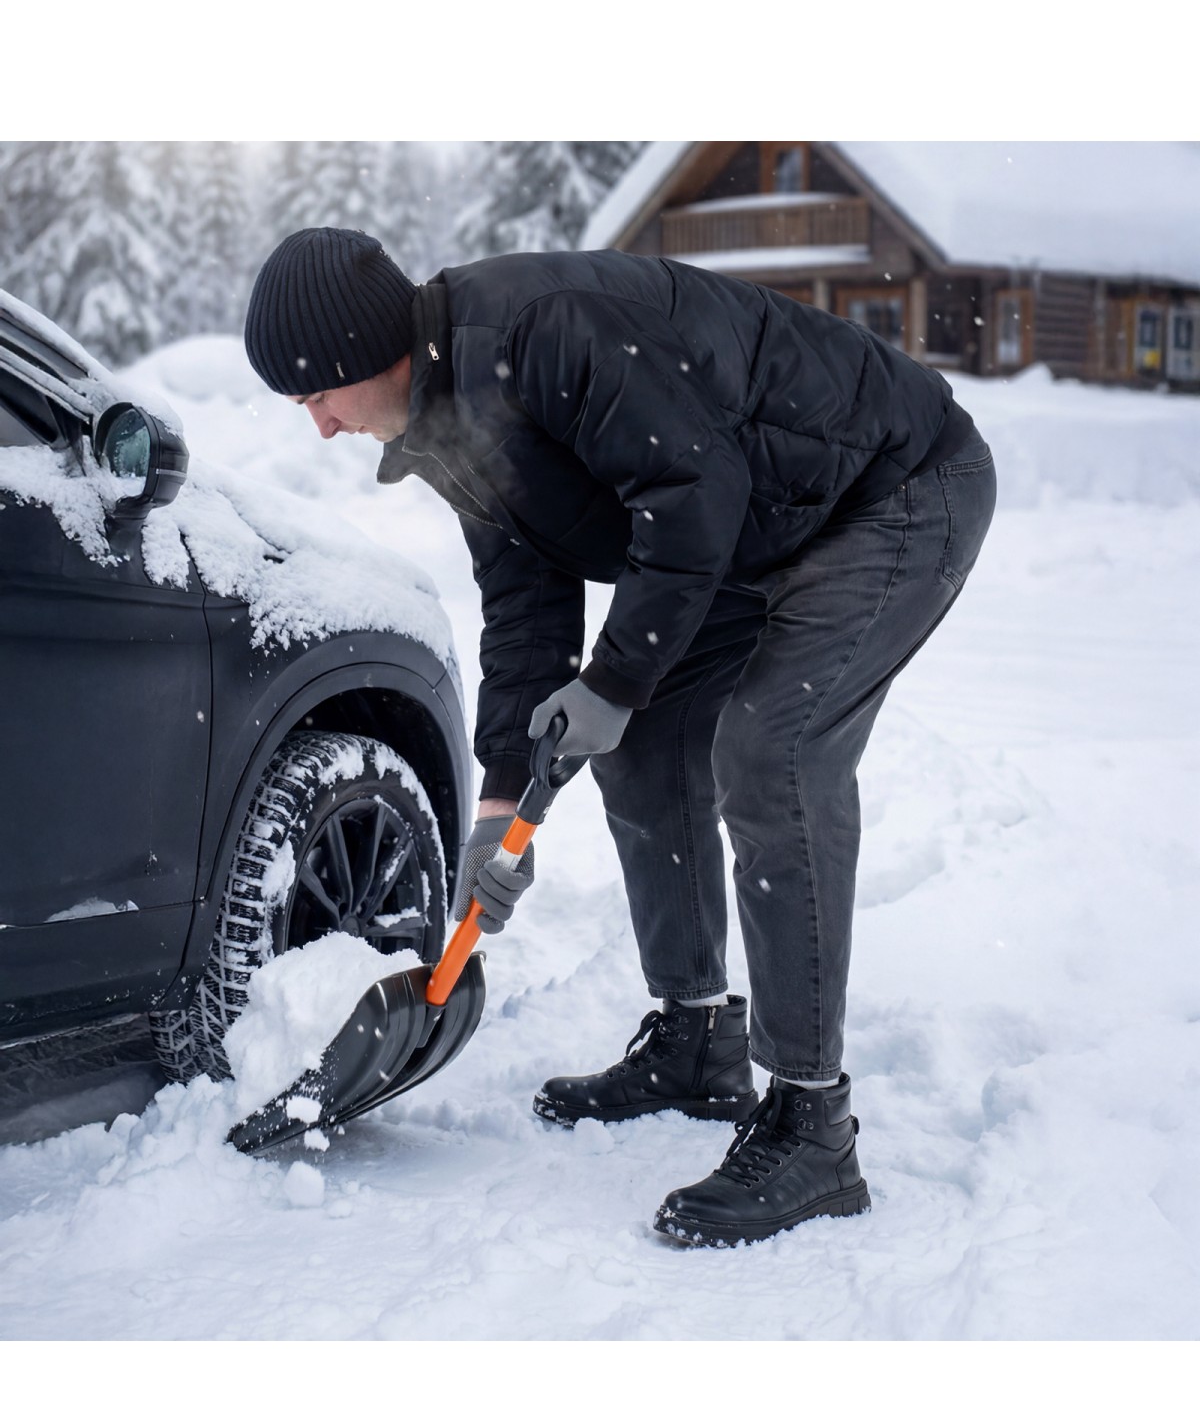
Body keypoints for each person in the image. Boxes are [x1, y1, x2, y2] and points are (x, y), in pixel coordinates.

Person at [244, 225, 996, 1248]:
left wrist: (614, 678)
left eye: (317, 395)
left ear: (364, 352)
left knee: (772, 753)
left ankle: (813, 1123)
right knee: (642, 745)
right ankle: (696, 1039)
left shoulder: (544, 331)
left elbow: (691, 491)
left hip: (891, 488)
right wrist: (502, 801)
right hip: (763, 517)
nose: (323, 426)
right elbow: (525, 601)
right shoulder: (446, 417)